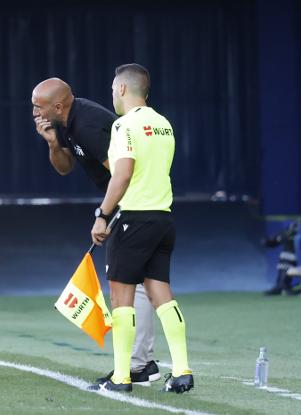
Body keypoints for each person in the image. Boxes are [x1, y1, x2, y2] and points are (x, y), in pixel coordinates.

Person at [31, 78, 160, 385]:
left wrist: (104, 215)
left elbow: (121, 173)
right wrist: (52, 142)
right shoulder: (64, 122)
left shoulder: (86, 125)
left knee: (124, 286)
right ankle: (143, 363)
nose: (34, 111)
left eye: (39, 106)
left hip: (132, 202)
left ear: (58, 106)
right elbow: (64, 167)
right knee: (136, 284)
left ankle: (136, 366)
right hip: (130, 202)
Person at [88, 63, 193, 393]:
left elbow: (123, 174)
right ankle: (182, 371)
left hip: (134, 217)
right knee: (161, 293)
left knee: (122, 298)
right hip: (163, 218)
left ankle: (121, 377)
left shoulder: (124, 126)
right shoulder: (164, 124)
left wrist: (103, 214)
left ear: (121, 89)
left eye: (112, 90)